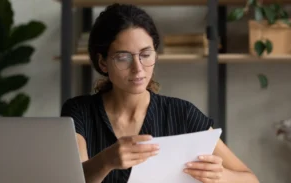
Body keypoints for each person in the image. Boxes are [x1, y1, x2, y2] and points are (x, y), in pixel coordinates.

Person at [61, 3, 259, 183]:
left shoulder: (183, 114)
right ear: (103, 62)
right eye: (123, 57)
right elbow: (72, 180)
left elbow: (251, 180)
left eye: (146, 55)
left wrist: (220, 176)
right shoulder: (79, 111)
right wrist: (105, 161)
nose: (138, 69)